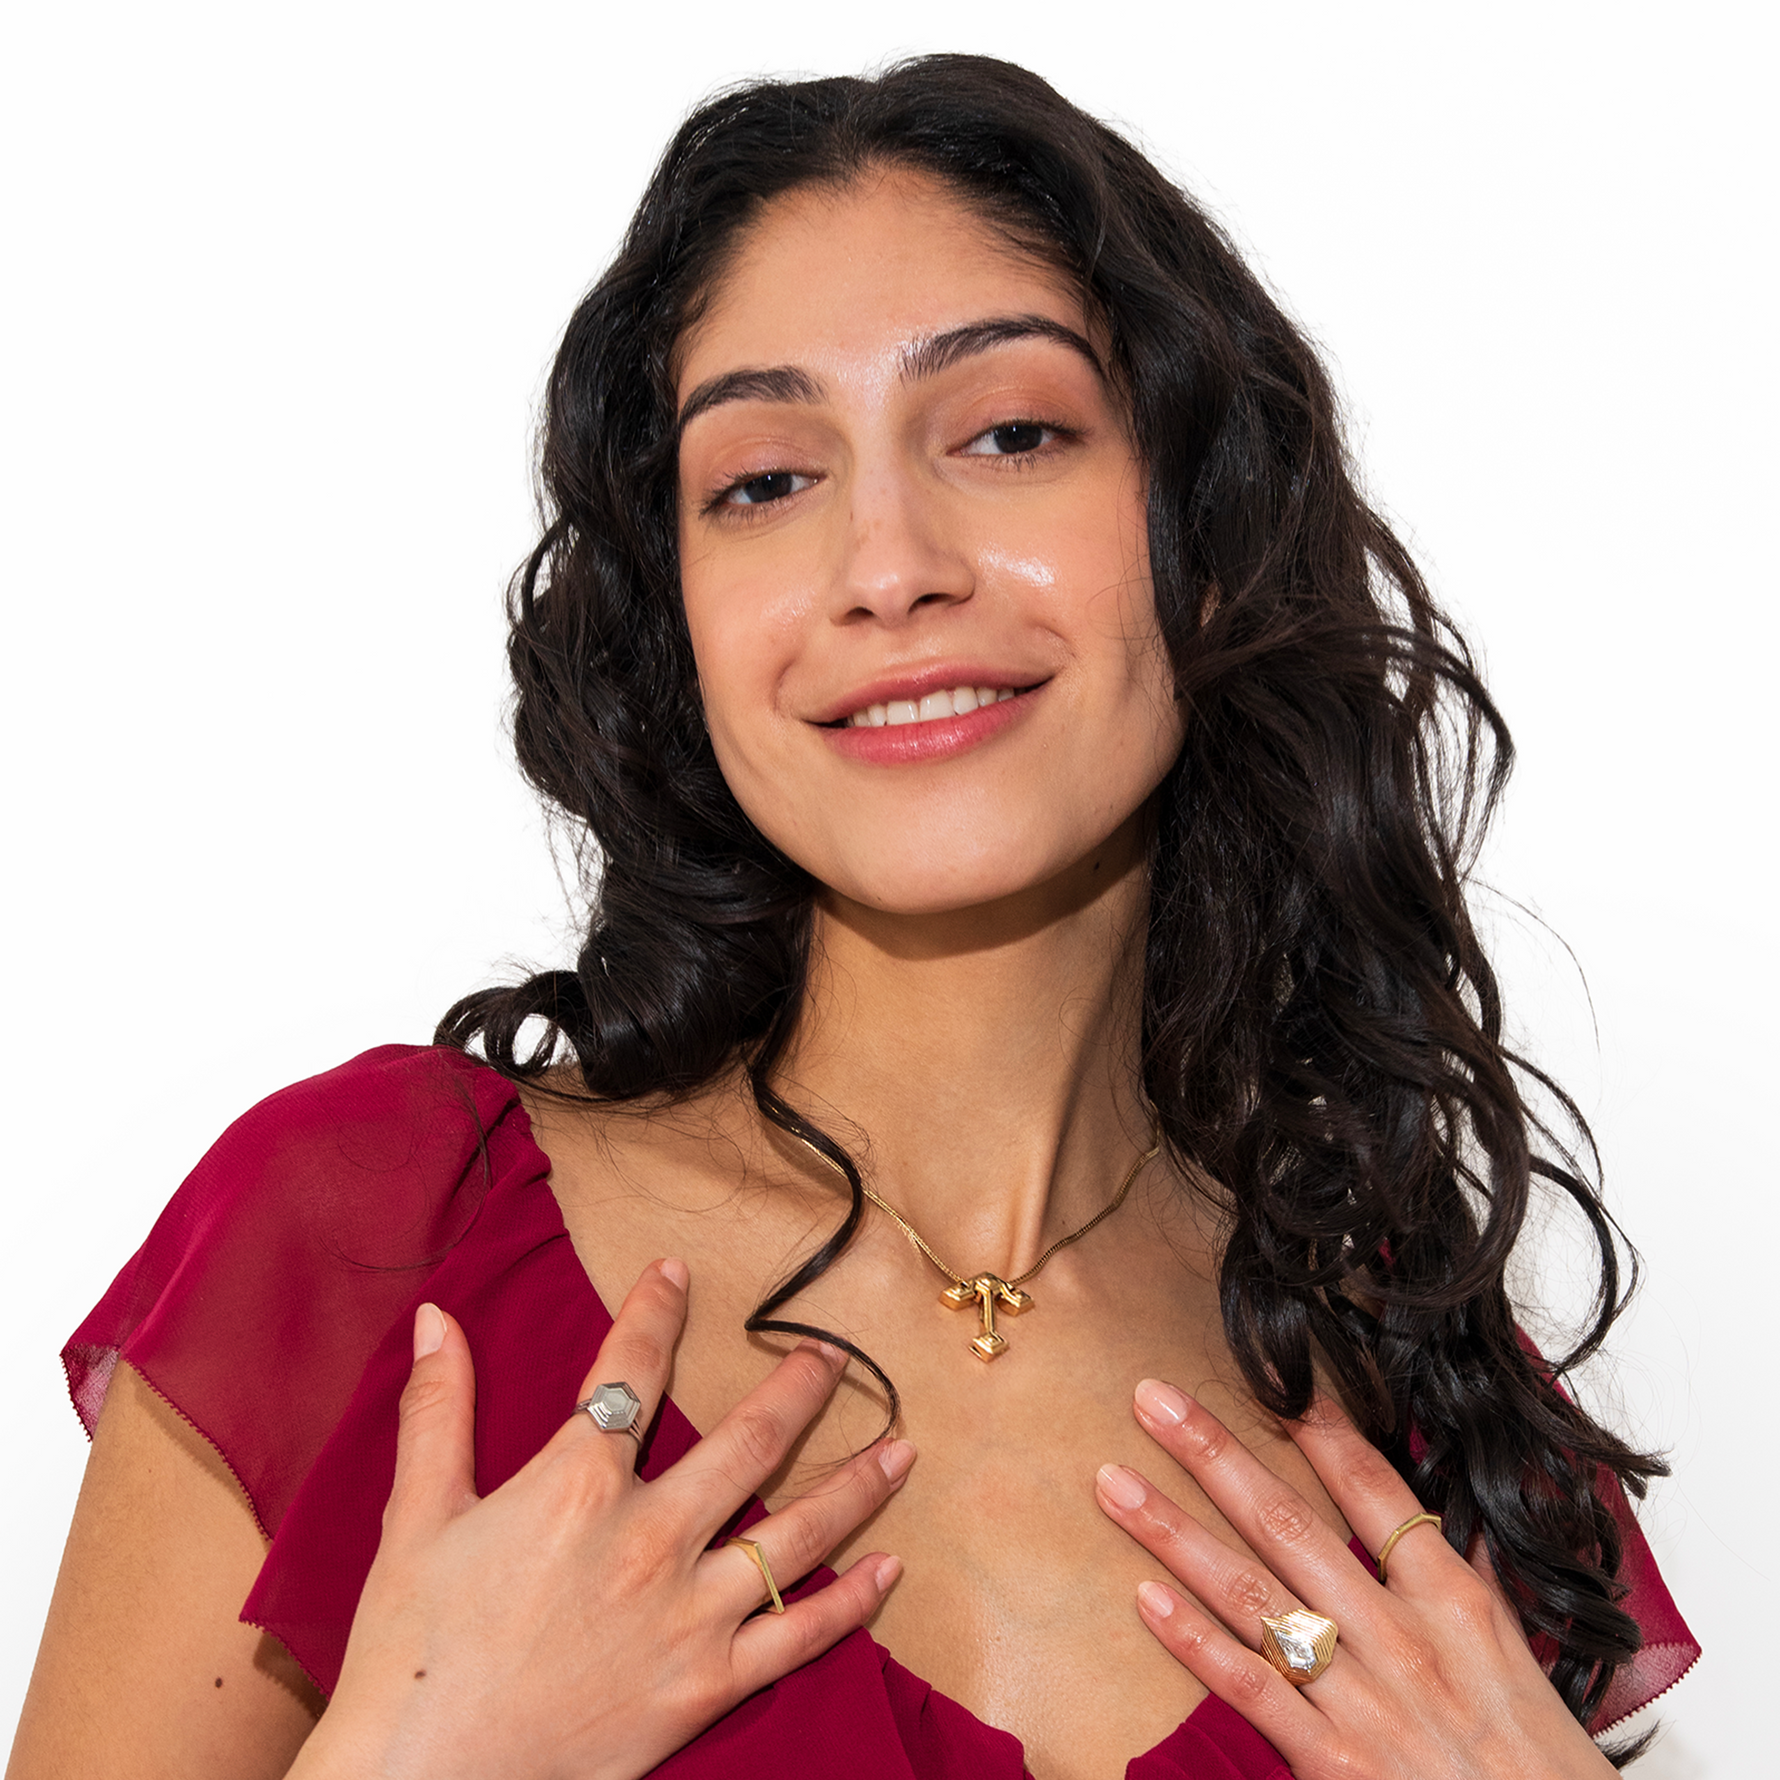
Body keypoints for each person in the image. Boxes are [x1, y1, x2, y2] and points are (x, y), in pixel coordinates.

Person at [9, 54, 1697, 1780]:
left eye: (1013, 433)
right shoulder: (377, 1247)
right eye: (763, 481)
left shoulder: (1419, 1386)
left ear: (1205, 539)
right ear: (682, 621)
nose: (888, 563)